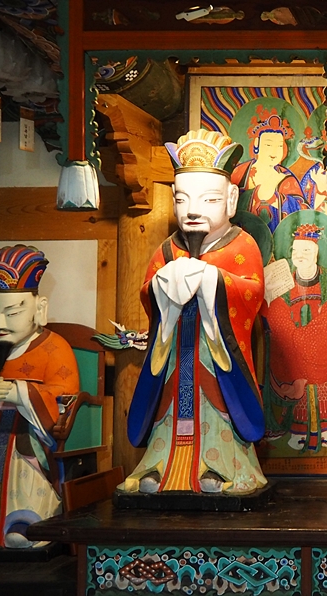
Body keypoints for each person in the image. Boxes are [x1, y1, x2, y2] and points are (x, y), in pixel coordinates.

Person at [123, 129, 267, 495]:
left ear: (231, 200)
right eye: (182, 198)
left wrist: (210, 279)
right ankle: (159, 467)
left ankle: (221, 466)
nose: (192, 210)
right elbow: (147, 294)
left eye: (209, 199)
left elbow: (252, 292)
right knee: (168, 409)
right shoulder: (166, 250)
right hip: (175, 355)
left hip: (214, 357)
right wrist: (161, 286)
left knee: (216, 407)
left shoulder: (242, 245)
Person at [0, 246, 79, 548]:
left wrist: (21, 393)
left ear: (40, 308)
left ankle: (25, 521)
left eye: (11, 313)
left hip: (30, 433)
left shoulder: (55, 348)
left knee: (25, 466)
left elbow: (65, 394)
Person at [265, 223, 327, 450]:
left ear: (317, 252)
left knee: (323, 377)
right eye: (295, 251)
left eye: (306, 250)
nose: (300, 255)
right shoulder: (283, 283)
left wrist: (307, 338)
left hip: (323, 346)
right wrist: (296, 339)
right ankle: (295, 428)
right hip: (291, 348)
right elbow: (277, 317)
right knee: (280, 348)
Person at [231, 105, 309, 232]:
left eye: (279, 146)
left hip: (278, 235)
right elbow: (227, 203)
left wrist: (275, 199)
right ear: (257, 143)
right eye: (268, 145)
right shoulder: (241, 172)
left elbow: (303, 210)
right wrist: (257, 195)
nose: (274, 151)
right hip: (244, 236)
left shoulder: (285, 176)